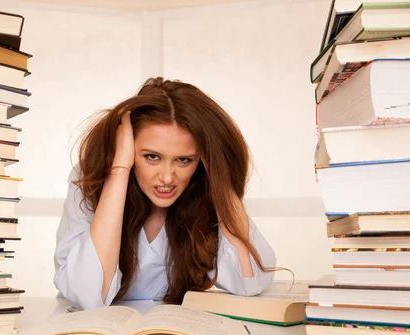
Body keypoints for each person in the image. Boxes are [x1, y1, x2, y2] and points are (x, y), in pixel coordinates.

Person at [54, 77, 277, 310]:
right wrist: (119, 170)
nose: (167, 177)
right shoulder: (92, 179)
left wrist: (220, 176)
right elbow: (87, 295)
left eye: (183, 160)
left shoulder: (206, 191)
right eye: (152, 157)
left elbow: (251, 281)